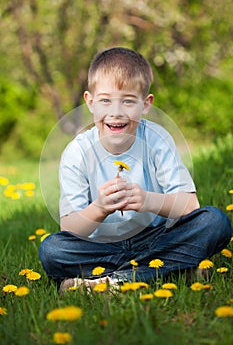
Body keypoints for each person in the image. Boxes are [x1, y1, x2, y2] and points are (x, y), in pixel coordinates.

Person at [39, 47, 232, 291]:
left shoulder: (157, 140)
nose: (116, 112)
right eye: (105, 100)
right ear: (90, 102)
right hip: (102, 248)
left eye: (128, 101)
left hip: (157, 238)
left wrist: (146, 200)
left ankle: (112, 281)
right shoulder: (77, 152)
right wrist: (99, 208)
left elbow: (189, 205)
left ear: (146, 104)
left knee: (215, 222)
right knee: (53, 249)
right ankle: (173, 270)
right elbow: (70, 227)